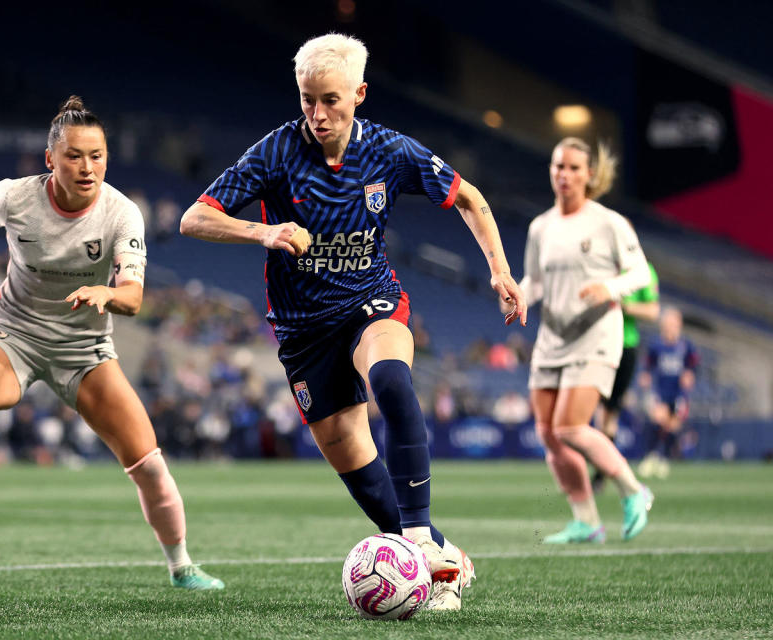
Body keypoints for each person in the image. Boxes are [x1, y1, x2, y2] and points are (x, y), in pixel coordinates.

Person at [180, 33, 526, 610]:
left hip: (372, 301)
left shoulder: (390, 151)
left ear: (360, 94)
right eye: (307, 99)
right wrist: (262, 231)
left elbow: (470, 198)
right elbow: (195, 218)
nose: (317, 113)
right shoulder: (275, 153)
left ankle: (415, 540)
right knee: (351, 456)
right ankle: (441, 560)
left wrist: (499, 271)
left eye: (331, 100)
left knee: (390, 378)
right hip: (302, 328)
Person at [0, 96, 224, 591]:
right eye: (74, 155)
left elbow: (135, 298)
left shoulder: (121, 213)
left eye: (97, 155)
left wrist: (108, 293)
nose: (87, 166)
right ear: (50, 159)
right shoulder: (17, 196)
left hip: (84, 349)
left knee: (147, 462)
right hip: (14, 332)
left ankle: (183, 567)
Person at [512, 137, 653, 544]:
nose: (565, 175)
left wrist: (610, 287)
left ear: (589, 175)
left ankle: (634, 489)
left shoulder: (608, 223)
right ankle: (587, 520)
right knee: (549, 434)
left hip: (596, 336)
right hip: (553, 337)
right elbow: (535, 281)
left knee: (571, 426)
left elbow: (640, 274)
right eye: (559, 166)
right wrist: (519, 295)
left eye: (574, 168)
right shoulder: (541, 226)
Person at [591, 261, 660, 493]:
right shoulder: (600, 265)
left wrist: (624, 306)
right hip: (597, 345)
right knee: (601, 411)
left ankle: (604, 472)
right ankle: (604, 470)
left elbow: (652, 310)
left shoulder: (642, 270)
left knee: (610, 413)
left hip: (625, 347)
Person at [637, 306, 698, 479]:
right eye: (668, 322)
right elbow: (648, 365)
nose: (670, 326)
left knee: (672, 426)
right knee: (659, 420)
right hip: (660, 391)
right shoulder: (656, 345)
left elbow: (693, 365)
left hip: (678, 393)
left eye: (674, 323)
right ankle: (651, 456)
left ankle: (663, 458)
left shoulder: (686, 346)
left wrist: (690, 375)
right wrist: (646, 376)